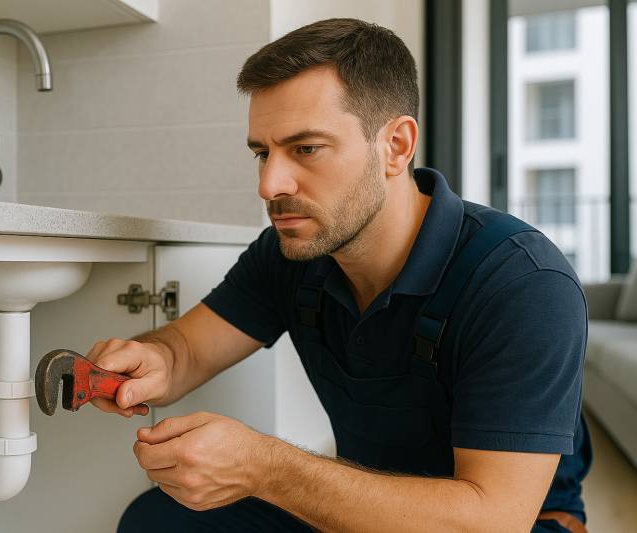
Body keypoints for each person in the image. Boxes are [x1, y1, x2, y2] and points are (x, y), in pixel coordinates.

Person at [86, 18, 591, 533]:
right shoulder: (291, 252)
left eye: (305, 149)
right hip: (352, 510)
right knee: (155, 521)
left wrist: (263, 466)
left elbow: (491, 520)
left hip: (507, 522)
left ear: (396, 145)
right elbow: (186, 350)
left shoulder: (523, 283)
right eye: (263, 153)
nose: (269, 184)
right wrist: (152, 360)